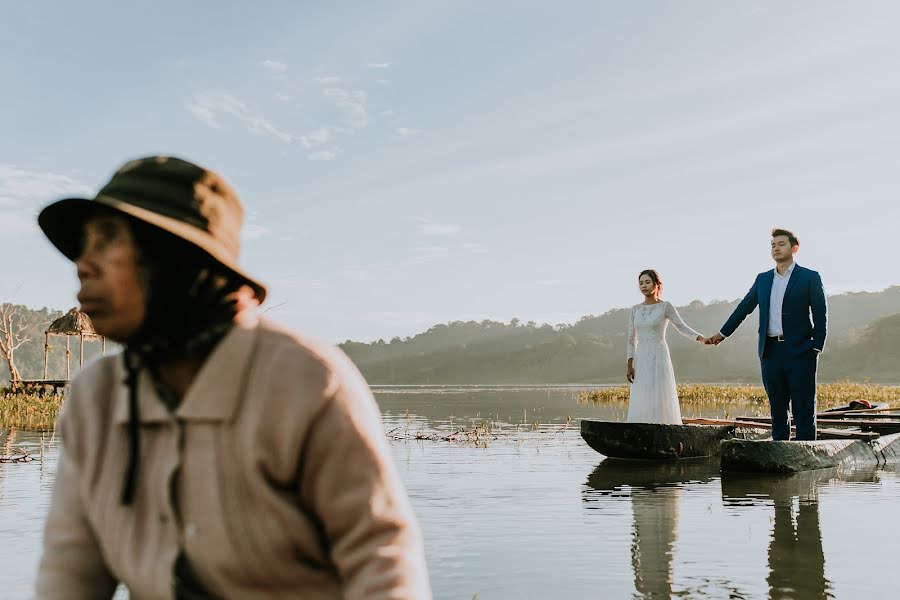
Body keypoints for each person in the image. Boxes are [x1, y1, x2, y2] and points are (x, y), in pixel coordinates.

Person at [34, 156, 432, 599]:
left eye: (107, 238)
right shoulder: (95, 399)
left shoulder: (305, 381)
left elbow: (381, 561)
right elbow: (69, 572)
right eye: (84, 243)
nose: (82, 264)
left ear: (175, 257)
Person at [706, 228, 827, 441]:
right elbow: (744, 307)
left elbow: (820, 314)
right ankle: (780, 448)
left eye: (781, 244)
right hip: (770, 351)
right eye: (773, 245)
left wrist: (816, 346)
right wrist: (722, 333)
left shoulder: (809, 277)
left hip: (801, 350)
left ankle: (807, 450)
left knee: (803, 406)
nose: (776, 248)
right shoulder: (763, 279)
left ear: (794, 248)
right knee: (777, 406)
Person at [626, 269, 705, 424]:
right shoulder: (635, 309)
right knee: (642, 393)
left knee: (660, 392)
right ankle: (641, 428)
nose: (644, 286)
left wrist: (702, 339)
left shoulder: (665, 307)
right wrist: (630, 364)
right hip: (642, 356)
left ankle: (663, 427)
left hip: (659, 353)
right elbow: (631, 338)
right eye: (641, 283)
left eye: (647, 282)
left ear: (656, 285)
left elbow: (682, 327)